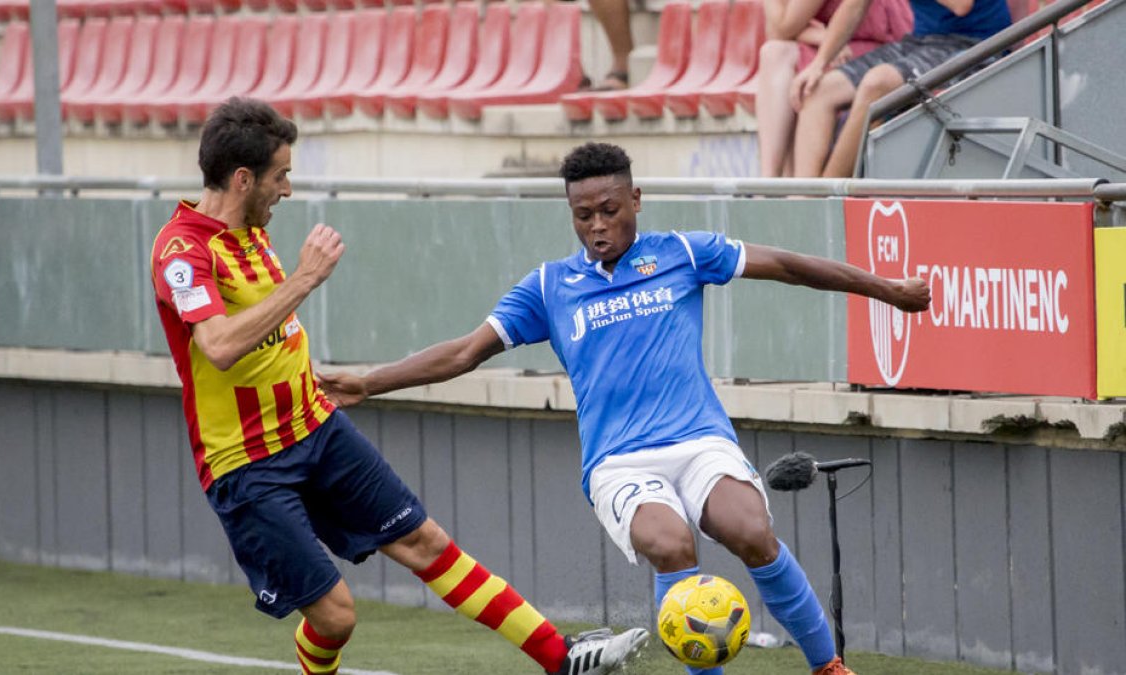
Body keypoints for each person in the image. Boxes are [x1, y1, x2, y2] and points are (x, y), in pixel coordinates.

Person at [318, 142, 932, 675]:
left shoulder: (685, 254)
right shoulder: (548, 286)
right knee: (672, 545)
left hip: (699, 441)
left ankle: (826, 663)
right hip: (619, 463)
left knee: (750, 532)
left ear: (636, 199)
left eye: (609, 210)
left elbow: (790, 266)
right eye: (582, 215)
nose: (596, 226)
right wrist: (370, 383)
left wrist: (888, 290)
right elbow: (464, 352)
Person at [148, 99, 649, 675]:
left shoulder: (252, 231)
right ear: (244, 179)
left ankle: (561, 660)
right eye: (280, 175)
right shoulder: (181, 251)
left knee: (427, 543)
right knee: (336, 617)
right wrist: (307, 278)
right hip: (247, 463)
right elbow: (219, 345)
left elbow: (262, 333)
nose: (287, 189)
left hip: (315, 425)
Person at [790, 0, 1012, 177]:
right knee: (819, 90)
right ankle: (802, 205)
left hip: (976, 45)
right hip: (923, 41)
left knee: (878, 82)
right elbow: (853, 6)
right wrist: (819, 63)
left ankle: (827, 199)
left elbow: (961, 5)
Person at [756, 0, 912, 176]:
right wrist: (821, 37)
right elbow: (777, 30)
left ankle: (803, 191)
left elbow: (783, 27)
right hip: (841, 44)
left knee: (807, 83)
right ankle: (770, 183)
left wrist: (827, 42)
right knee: (774, 53)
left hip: (884, 47)